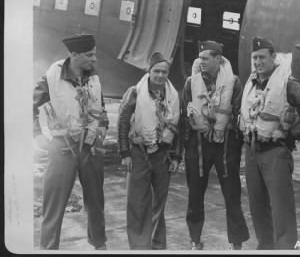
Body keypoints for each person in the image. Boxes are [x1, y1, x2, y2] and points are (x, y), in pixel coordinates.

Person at [33, 34, 109, 250]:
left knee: (96, 201)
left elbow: (100, 106)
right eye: (89, 55)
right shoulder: (52, 75)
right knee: (54, 203)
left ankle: (99, 244)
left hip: (90, 146)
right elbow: (31, 104)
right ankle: (48, 248)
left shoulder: (93, 76)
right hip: (63, 147)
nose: (94, 59)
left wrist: (102, 128)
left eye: (94, 54)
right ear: (74, 55)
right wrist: (40, 137)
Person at [239, 37, 300, 249]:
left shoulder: (287, 82)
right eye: (255, 58)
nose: (258, 62)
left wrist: (293, 133)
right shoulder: (251, 82)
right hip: (252, 151)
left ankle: (286, 249)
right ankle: (266, 247)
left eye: (262, 57)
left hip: (275, 153)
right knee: (257, 206)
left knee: (282, 209)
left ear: (273, 57)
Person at [181, 40, 249, 250]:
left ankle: (236, 242)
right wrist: (184, 147)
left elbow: (238, 112)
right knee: (195, 194)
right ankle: (195, 239)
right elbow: (185, 114)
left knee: (231, 193)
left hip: (225, 145)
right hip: (198, 146)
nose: (201, 61)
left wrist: (234, 144)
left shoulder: (234, 82)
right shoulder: (190, 83)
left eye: (205, 58)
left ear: (218, 59)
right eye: (199, 58)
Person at [118, 52, 181, 250]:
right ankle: (138, 246)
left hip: (162, 155)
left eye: (164, 72)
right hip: (139, 152)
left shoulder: (173, 96)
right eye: (157, 71)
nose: (161, 76)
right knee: (137, 203)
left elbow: (179, 127)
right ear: (149, 71)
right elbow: (122, 123)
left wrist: (177, 157)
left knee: (159, 204)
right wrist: (125, 153)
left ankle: (157, 244)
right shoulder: (135, 92)